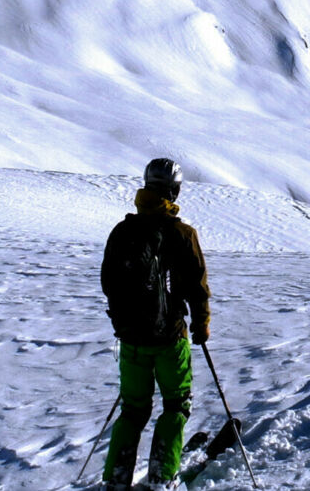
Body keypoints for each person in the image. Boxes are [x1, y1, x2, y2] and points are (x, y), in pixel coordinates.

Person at [99, 158, 211, 488]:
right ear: (174, 192)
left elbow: (108, 282)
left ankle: (115, 479)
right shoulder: (182, 234)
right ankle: (163, 477)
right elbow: (197, 286)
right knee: (176, 405)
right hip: (170, 339)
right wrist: (202, 324)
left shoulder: (122, 232)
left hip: (131, 339)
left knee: (133, 410)